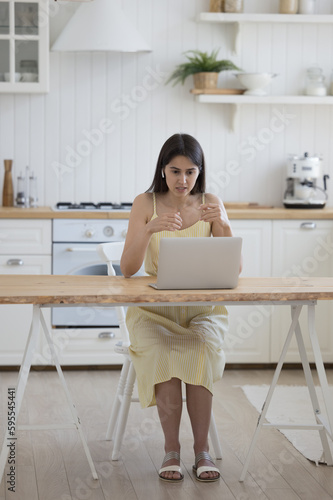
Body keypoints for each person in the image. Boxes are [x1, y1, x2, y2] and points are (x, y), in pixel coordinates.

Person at [120, 133, 241, 483]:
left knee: (201, 349)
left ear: (200, 172)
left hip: (201, 310)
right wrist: (149, 229)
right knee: (162, 351)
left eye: (190, 172)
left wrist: (223, 223)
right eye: (175, 171)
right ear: (162, 170)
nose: (182, 181)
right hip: (153, 311)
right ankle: (170, 450)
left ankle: (201, 451)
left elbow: (234, 269)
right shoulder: (145, 203)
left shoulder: (210, 203)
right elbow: (128, 269)